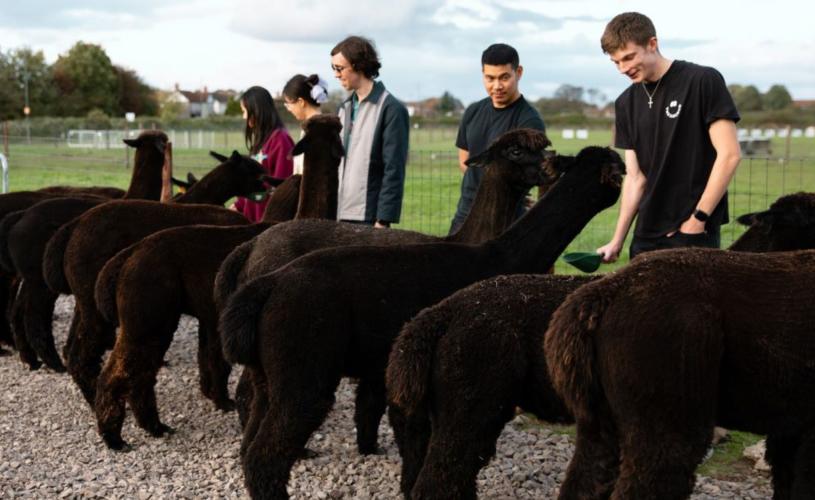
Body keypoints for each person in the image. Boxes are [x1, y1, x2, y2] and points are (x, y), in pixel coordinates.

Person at [596, 12, 741, 262]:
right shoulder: (625, 103)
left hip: (692, 231)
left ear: (652, 44)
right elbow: (635, 178)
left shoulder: (702, 81)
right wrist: (618, 239)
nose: (623, 69)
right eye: (616, 62)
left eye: (629, 57)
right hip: (645, 235)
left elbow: (729, 155)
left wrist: (699, 219)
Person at [449, 43, 545, 235]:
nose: (497, 86)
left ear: (518, 72)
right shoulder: (472, 112)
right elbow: (464, 161)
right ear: (483, 74)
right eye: (490, 78)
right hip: (466, 214)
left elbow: (529, 173)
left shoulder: (529, 121)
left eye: (504, 77)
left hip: (505, 219)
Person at [330, 35, 409, 228]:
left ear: (358, 65)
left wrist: (383, 219)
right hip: (338, 214)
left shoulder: (391, 109)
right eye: (334, 69)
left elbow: (394, 168)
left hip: (370, 219)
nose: (336, 75)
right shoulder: (343, 108)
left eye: (339, 68)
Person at [234, 85, 294, 222]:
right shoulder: (262, 140)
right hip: (253, 219)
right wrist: (239, 205)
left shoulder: (281, 140)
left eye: (244, 111)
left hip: (269, 223)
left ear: (256, 111)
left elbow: (282, 186)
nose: (244, 117)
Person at [282, 74, 329, 174]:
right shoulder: (310, 127)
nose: (289, 109)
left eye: (288, 104)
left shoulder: (318, 130)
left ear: (301, 102)